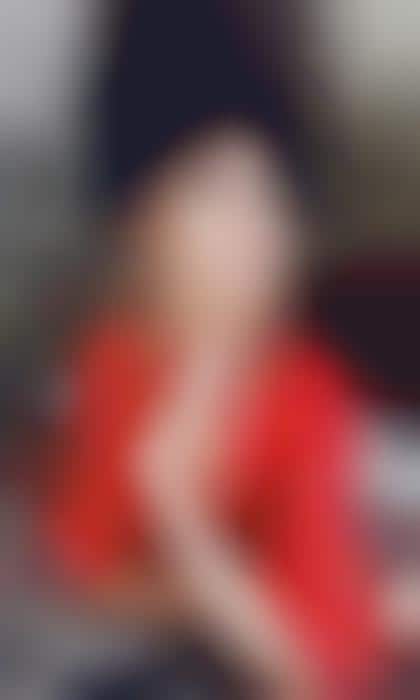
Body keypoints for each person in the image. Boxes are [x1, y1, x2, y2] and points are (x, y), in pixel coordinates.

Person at [42, 1, 378, 697]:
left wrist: (185, 530)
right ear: (141, 226)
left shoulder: (308, 398)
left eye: (269, 203)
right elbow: (79, 575)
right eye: (211, 196)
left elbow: (318, 670)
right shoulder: (114, 366)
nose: (252, 237)